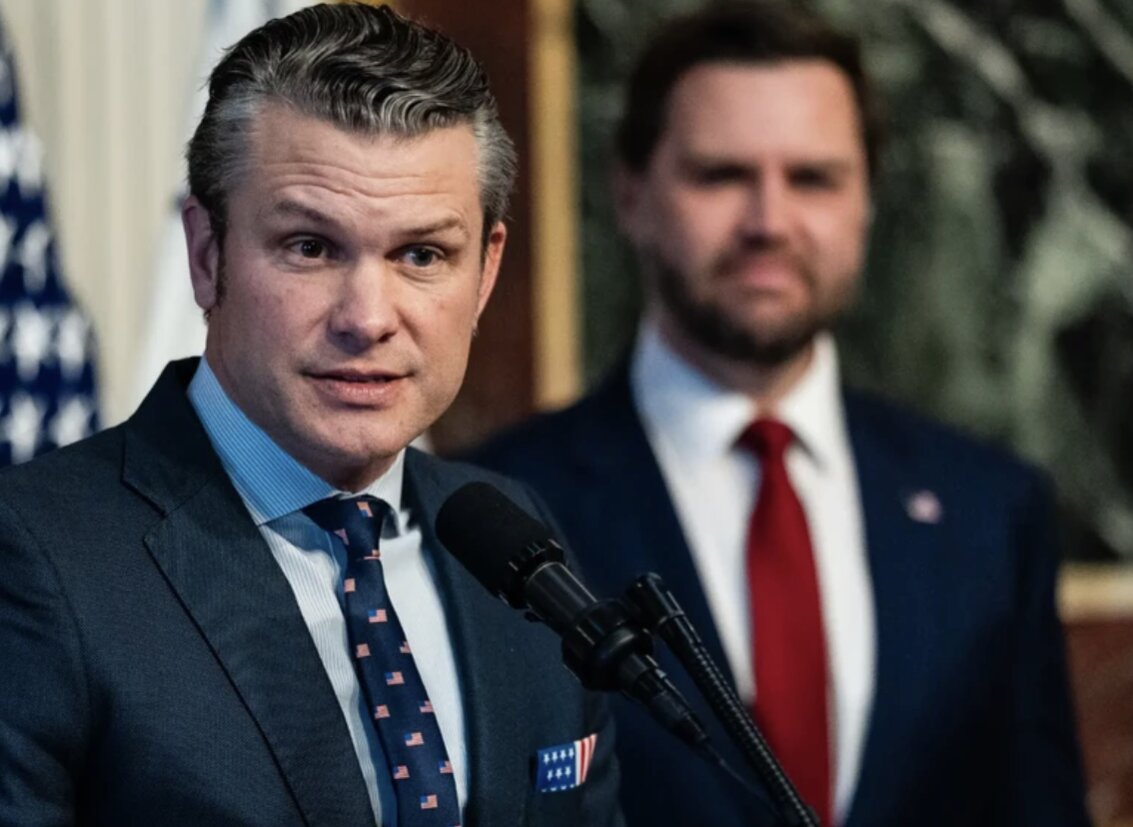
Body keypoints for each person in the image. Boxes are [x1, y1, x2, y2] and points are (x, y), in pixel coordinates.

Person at [0, 5, 623, 826]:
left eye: (422, 254)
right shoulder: (36, 557)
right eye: (310, 247)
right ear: (207, 256)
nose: (367, 317)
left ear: (484, 272)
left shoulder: (516, 541)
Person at [471, 2, 1091, 825]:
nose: (768, 222)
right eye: (721, 175)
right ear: (629, 193)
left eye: (812, 178)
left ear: (867, 200)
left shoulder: (991, 508)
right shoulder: (500, 508)